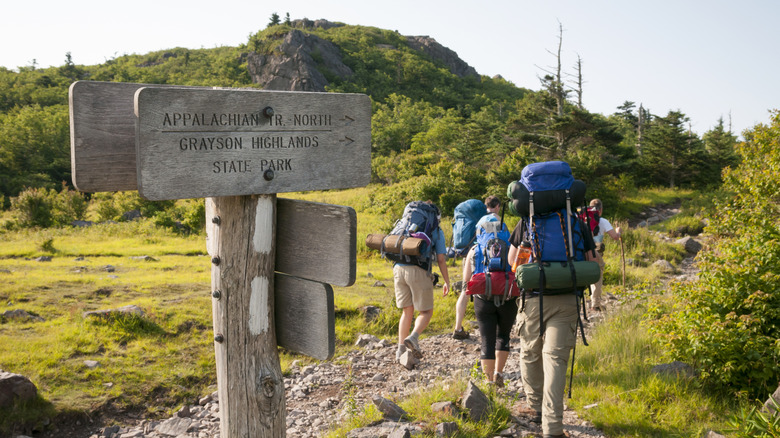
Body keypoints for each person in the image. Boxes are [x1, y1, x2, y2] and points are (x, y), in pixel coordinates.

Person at [507, 212, 597, 438]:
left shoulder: (527, 222)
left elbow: (511, 262)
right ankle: (553, 428)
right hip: (567, 298)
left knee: (530, 352)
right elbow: (592, 262)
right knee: (555, 359)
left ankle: (536, 407)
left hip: (533, 298)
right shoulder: (576, 222)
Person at [394, 201, 451, 364]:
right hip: (418, 270)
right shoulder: (436, 230)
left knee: (407, 310)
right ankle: (413, 337)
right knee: (426, 312)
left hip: (398, 268)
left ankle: (400, 351)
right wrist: (447, 281)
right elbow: (441, 259)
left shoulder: (405, 224)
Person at [461, 241, 518, 388]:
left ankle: (489, 382)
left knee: (487, 340)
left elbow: (466, 279)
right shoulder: (511, 245)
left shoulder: (475, 248)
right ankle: (498, 373)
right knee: (504, 336)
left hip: (483, 299)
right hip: (508, 297)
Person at [452, 195, 501, 340]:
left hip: (469, 254)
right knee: (492, 289)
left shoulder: (478, 219)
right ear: (497, 206)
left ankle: (458, 327)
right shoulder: (494, 220)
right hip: (486, 258)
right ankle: (491, 327)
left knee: (465, 290)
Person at [587, 199, 622, 312]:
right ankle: (595, 304)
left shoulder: (582, 219)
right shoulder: (603, 221)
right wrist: (618, 231)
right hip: (594, 252)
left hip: (580, 251)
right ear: (600, 210)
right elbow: (615, 237)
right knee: (598, 274)